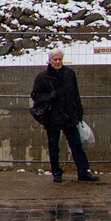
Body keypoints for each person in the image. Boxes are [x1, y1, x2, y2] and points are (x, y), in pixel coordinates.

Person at [31, 49, 100, 183]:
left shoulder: (69, 74)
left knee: (76, 145)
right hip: (52, 117)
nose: (57, 62)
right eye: (55, 60)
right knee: (54, 147)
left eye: (59, 59)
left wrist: (78, 110)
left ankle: (83, 171)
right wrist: (49, 96)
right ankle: (57, 173)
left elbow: (75, 94)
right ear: (49, 61)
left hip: (68, 116)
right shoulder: (42, 77)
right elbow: (35, 95)